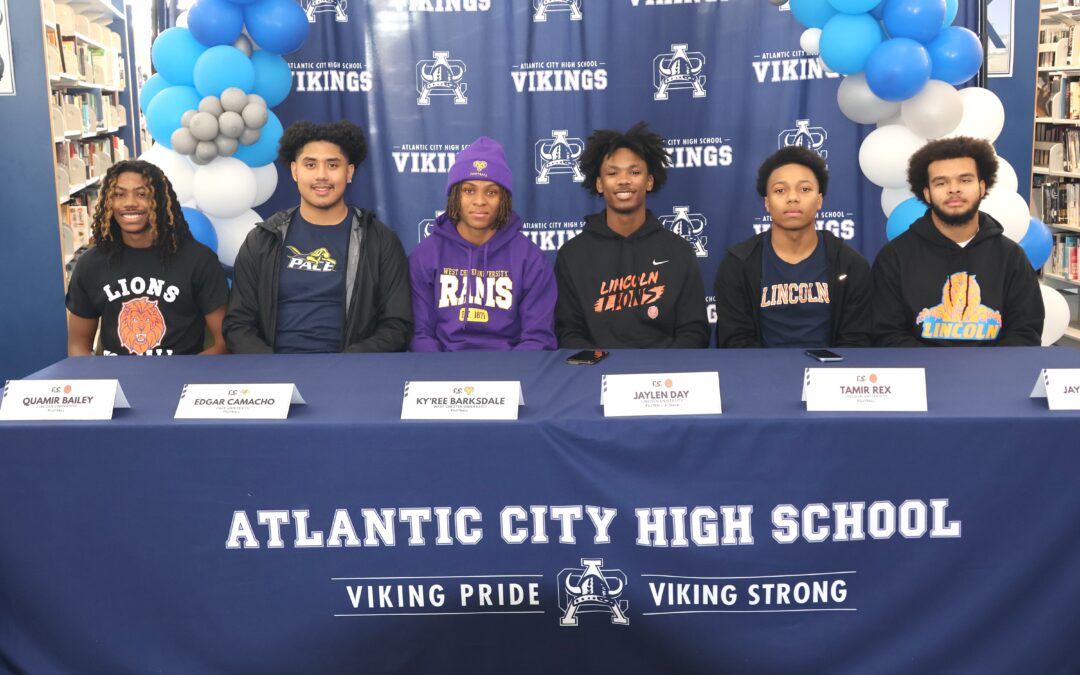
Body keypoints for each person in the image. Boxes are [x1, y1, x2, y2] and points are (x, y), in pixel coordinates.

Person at [224, 120, 412, 353]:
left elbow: (396, 326)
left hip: (349, 376)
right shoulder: (263, 239)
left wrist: (349, 363)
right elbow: (238, 324)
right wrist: (269, 367)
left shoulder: (380, 241)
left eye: (332, 165)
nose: (321, 175)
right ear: (295, 171)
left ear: (349, 172)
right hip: (275, 375)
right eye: (310, 165)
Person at [872, 136, 1044, 346]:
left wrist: (986, 372)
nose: (954, 189)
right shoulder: (894, 257)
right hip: (924, 376)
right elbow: (887, 334)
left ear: (982, 187)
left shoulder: (1011, 257)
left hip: (994, 376)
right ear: (927, 194)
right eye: (941, 182)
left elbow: (1025, 332)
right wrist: (939, 371)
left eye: (965, 180)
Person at [554, 122, 708, 348]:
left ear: (649, 181)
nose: (624, 180)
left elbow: (694, 330)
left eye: (634, 172)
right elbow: (568, 331)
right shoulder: (572, 254)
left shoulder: (678, 250)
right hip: (596, 375)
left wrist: (660, 372)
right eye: (612, 172)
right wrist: (602, 370)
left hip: (664, 377)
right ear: (599, 183)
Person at [66, 160, 228, 356]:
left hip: (178, 380)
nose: (130, 203)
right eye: (119, 194)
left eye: (142, 194)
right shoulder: (91, 264)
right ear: (109, 202)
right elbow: (78, 346)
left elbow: (224, 343)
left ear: (159, 200)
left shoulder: (199, 260)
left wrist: (185, 377)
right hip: (116, 381)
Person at [714, 146, 871, 348]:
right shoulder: (737, 264)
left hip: (830, 373)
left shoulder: (850, 265)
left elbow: (856, 341)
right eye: (780, 190)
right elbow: (735, 340)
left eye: (805, 189)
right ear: (767, 203)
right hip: (759, 375)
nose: (793, 198)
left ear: (819, 200)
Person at [408, 137, 556, 351]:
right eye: (469, 190)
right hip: (444, 370)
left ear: (503, 199)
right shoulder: (426, 255)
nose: (480, 201)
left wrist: (512, 376)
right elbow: (421, 335)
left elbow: (537, 338)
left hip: (511, 370)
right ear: (455, 197)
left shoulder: (531, 259)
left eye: (491, 192)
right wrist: (441, 375)